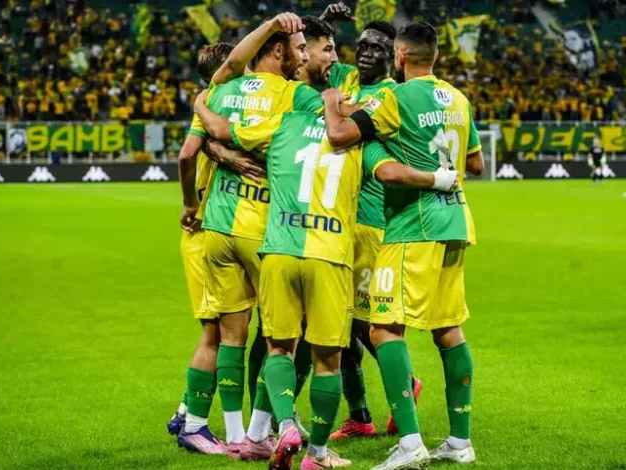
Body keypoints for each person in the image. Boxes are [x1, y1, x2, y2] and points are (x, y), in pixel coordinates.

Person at [193, 87, 460, 470]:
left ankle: (285, 426)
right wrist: (437, 178)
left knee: (279, 349)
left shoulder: (282, 125)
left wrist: (200, 105)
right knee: (327, 361)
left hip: (279, 250)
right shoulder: (357, 141)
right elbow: (390, 173)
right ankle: (317, 453)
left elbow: (221, 130)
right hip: (330, 255)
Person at [323, 21, 484, 469]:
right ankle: (460, 441)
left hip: (413, 225)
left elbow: (340, 135)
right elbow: (475, 162)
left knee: (382, 329)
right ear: (435, 56)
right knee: (448, 329)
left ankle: (411, 444)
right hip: (456, 220)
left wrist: (332, 103)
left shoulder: (395, 97)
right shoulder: (458, 98)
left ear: (399, 57)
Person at [191, 12, 325, 459]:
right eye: (299, 49)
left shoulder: (223, 88)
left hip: (217, 225)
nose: (303, 57)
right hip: (264, 229)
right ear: (278, 50)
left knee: (231, 334)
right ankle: (258, 433)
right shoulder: (293, 95)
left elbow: (205, 133)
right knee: (282, 337)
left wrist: (212, 135)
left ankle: (232, 436)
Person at [169, 42, 265, 455]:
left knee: (228, 329)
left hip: (223, 226)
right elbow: (187, 154)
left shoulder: (216, 109)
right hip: (208, 228)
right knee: (217, 332)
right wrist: (191, 204)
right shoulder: (216, 103)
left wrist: (220, 150)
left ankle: (187, 410)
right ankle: (194, 424)